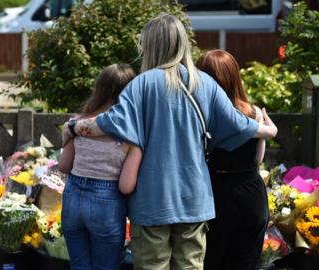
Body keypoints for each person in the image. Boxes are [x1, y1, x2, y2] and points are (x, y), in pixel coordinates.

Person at [63, 14, 278, 270]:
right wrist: (269, 131)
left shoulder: (140, 85)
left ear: (151, 45)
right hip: (195, 201)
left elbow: (108, 123)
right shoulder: (205, 83)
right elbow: (238, 123)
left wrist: (75, 127)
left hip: (151, 201)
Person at [58, 63, 143, 270]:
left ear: (99, 89)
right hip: (106, 202)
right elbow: (125, 186)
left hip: (73, 198)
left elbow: (64, 165)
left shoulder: (78, 124)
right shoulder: (131, 133)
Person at [196, 50, 269, 270]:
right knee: (247, 260)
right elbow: (258, 158)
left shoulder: (202, 114)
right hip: (251, 191)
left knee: (212, 259)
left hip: (215, 192)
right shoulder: (254, 112)